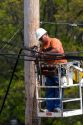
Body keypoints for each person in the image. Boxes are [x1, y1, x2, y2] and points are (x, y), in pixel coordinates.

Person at [35, 28, 67, 112]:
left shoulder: (54, 41)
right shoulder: (43, 46)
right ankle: (49, 108)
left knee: (58, 87)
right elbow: (39, 56)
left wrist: (44, 54)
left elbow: (56, 50)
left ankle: (57, 107)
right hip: (49, 69)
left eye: (41, 38)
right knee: (49, 88)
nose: (41, 40)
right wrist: (37, 55)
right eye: (40, 39)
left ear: (46, 34)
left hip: (59, 68)